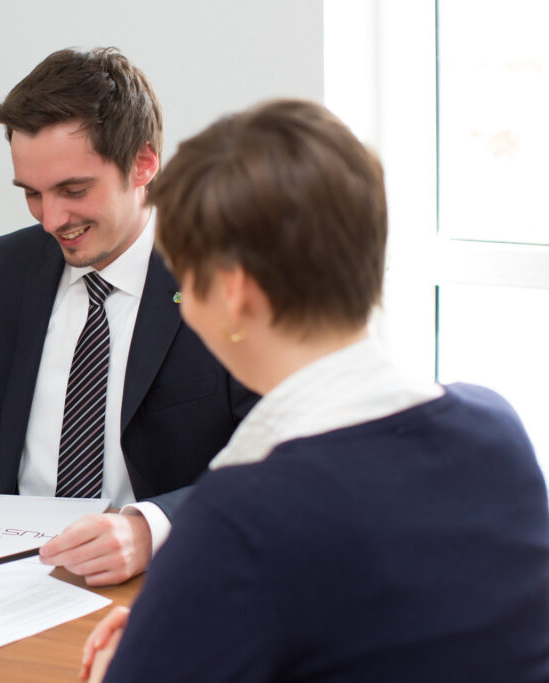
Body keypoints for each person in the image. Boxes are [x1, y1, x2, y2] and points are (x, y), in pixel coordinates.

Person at [80, 99, 549, 681]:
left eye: (183, 281)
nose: (182, 305)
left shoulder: (239, 516)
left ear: (234, 293)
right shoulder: (497, 428)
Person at [0, 48, 255, 586]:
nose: (52, 220)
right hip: (5, 574)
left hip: (162, 580)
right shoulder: (10, 265)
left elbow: (277, 462)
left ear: (144, 164)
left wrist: (152, 528)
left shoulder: (227, 275)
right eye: (32, 194)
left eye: (73, 191)